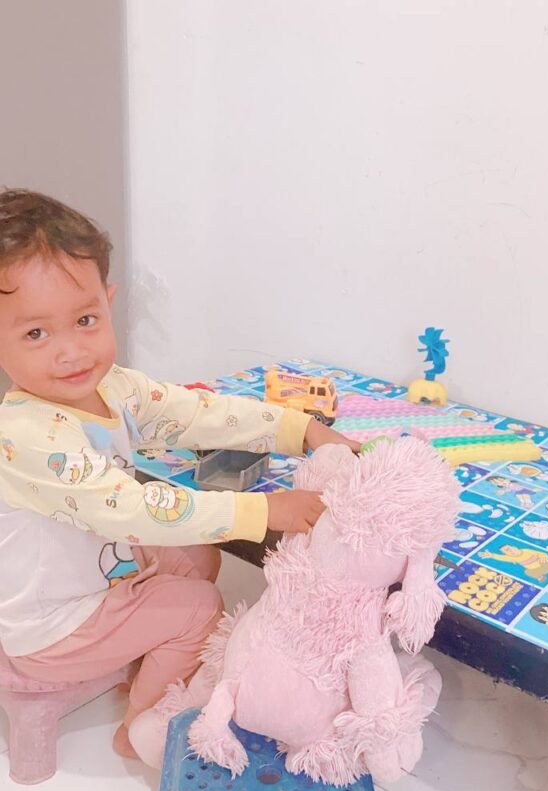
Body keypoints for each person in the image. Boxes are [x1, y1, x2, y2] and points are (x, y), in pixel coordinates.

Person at [0, 188, 360, 759]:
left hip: (96, 566)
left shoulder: (113, 386)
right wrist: (264, 512)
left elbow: (197, 413)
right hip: (50, 625)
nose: (70, 352)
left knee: (199, 557)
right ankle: (141, 727)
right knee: (200, 609)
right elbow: (134, 510)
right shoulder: (25, 433)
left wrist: (300, 429)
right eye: (36, 334)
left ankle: (146, 655)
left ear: (108, 302)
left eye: (85, 319)